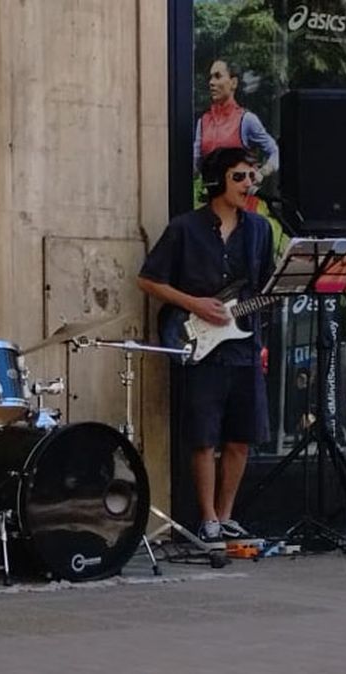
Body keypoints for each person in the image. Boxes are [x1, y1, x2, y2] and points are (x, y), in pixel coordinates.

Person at [138, 147, 275, 566]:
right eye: (239, 177)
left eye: (252, 177)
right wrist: (194, 304)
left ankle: (228, 516)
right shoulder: (185, 228)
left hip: (243, 344)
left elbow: (265, 288)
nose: (248, 185)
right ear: (219, 181)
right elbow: (148, 279)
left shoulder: (260, 230)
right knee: (204, 436)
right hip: (199, 344)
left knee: (241, 436)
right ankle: (208, 519)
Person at [193, 59, 279, 180]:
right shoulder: (203, 122)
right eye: (210, 77)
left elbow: (274, 151)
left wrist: (262, 173)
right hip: (210, 196)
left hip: (240, 196)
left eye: (218, 76)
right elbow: (195, 163)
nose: (211, 82)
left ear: (233, 83)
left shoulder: (246, 120)